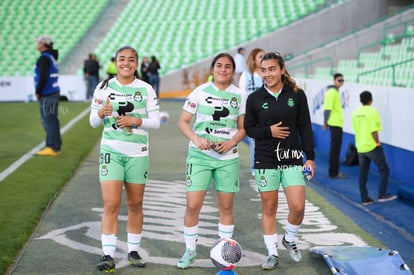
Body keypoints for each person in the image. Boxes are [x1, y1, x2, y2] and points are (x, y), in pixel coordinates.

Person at [89, 46, 160, 272]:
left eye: (131, 60)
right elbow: (93, 121)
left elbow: (156, 122)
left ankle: (133, 251)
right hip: (111, 151)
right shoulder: (104, 87)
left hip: (138, 154)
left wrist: (135, 121)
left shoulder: (146, 89)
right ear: (116, 63)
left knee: (135, 204)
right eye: (122, 59)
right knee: (111, 204)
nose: (126, 63)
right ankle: (108, 254)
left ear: (136, 64)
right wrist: (101, 112)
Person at [244, 52, 315, 270]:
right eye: (263, 70)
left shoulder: (297, 94)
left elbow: (305, 127)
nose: (267, 74)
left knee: (298, 207)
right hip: (265, 160)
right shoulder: (254, 98)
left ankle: (289, 238)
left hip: (292, 158)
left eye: (272, 69)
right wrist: (269, 131)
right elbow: (249, 128)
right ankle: (272, 253)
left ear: (282, 70)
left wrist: (310, 157)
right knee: (269, 207)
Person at [176, 53, 246, 269]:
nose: (223, 69)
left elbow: (243, 128)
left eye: (227, 66)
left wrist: (231, 142)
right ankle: (190, 251)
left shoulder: (240, 95)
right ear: (212, 69)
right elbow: (183, 122)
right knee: (193, 205)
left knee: (226, 206)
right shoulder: (199, 92)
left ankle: (225, 254)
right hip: (200, 157)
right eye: (219, 66)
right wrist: (196, 139)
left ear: (232, 70)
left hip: (227, 158)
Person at [352, 91, 397, 205]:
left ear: (361, 100)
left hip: (361, 147)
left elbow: (356, 129)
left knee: (363, 174)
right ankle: (382, 194)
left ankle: (364, 198)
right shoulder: (372, 112)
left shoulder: (356, 113)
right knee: (384, 170)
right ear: (371, 100)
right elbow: (374, 131)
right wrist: (377, 143)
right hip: (372, 147)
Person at [34, 35, 62, 157]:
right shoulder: (51, 57)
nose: (37, 45)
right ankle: (56, 146)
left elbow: (43, 77)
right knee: (52, 120)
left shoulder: (44, 58)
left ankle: (52, 147)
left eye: (38, 43)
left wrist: (38, 91)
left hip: (48, 93)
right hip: (53, 92)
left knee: (48, 121)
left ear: (43, 44)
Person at [238, 48, 265, 176]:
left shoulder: (268, 74)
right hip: (252, 114)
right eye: (260, 56)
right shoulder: (245, 75)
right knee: (254, 140)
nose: (263, 59)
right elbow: (242, 96)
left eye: (264, 56)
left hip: (268, 113)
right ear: (253, 59)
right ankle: (256, 167)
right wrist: (242, 116)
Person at [323, 73, 346, 179]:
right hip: (335, 124)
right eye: (339, 80)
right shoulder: (332, 92)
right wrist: (325, 122)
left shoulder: (334, 92)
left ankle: (334, 172)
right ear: (334, 81)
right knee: (335, 149)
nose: (341, 82)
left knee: (335, 149)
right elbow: (327, 108)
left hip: (336, 123)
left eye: (342, 80)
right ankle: (333, 172)